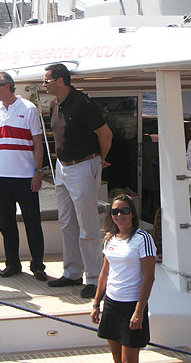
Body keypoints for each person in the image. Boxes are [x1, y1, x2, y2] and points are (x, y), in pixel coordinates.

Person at [43, 63, 113, 299]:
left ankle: (94, 278)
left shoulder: (83, 103)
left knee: (88, 226)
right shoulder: (54, 105)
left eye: (47, 80)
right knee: (66, 223)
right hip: (62, 168)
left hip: (83, 165)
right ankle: (72, 272)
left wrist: (99, 160)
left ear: (60, 81)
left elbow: (106, 134)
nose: (44, 84)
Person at [0, 71, 47, 281]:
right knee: (5, 223)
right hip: (1, 178)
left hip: (25, 177)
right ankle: (12, 263)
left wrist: (38, 172)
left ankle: (38, 265)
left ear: (7, 86)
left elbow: (38, 143)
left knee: (32, 222)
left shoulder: (29, 109)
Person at [91, 195, 156, 363]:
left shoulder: (142, 239)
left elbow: (149, 277)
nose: (119, 215)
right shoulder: (109, 239)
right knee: (117, 358)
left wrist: (139, 311)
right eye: (115, 211)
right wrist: (96, 304)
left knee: (129, 361)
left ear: (132, 213)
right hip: (112, 304)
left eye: (124, 211)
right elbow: (104, 274)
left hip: (131, 306)